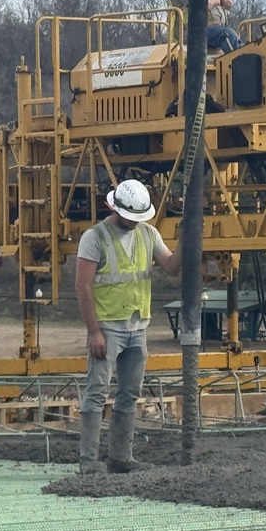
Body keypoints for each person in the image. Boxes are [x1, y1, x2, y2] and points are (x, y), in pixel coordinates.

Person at [75, 180, 181, 474]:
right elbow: (82, 286)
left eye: (140, 217)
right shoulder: (95, 237)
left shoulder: (148, 234)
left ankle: (121, 458)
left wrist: (186, 240)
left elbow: (171, 267)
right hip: (107, 327)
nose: (135, 223)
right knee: (97, 391)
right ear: (113, 207)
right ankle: (89, 462)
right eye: (130, 217)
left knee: (129, 394)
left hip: (137, 327)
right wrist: (94, 331)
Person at [169, 0, 242, 53]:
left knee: (245, 46)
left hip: (213, 30)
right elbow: (203, 5)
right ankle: (241, 63)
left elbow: (228, 3)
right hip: (192, 30)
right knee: (228, 35)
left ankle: (247, 60)